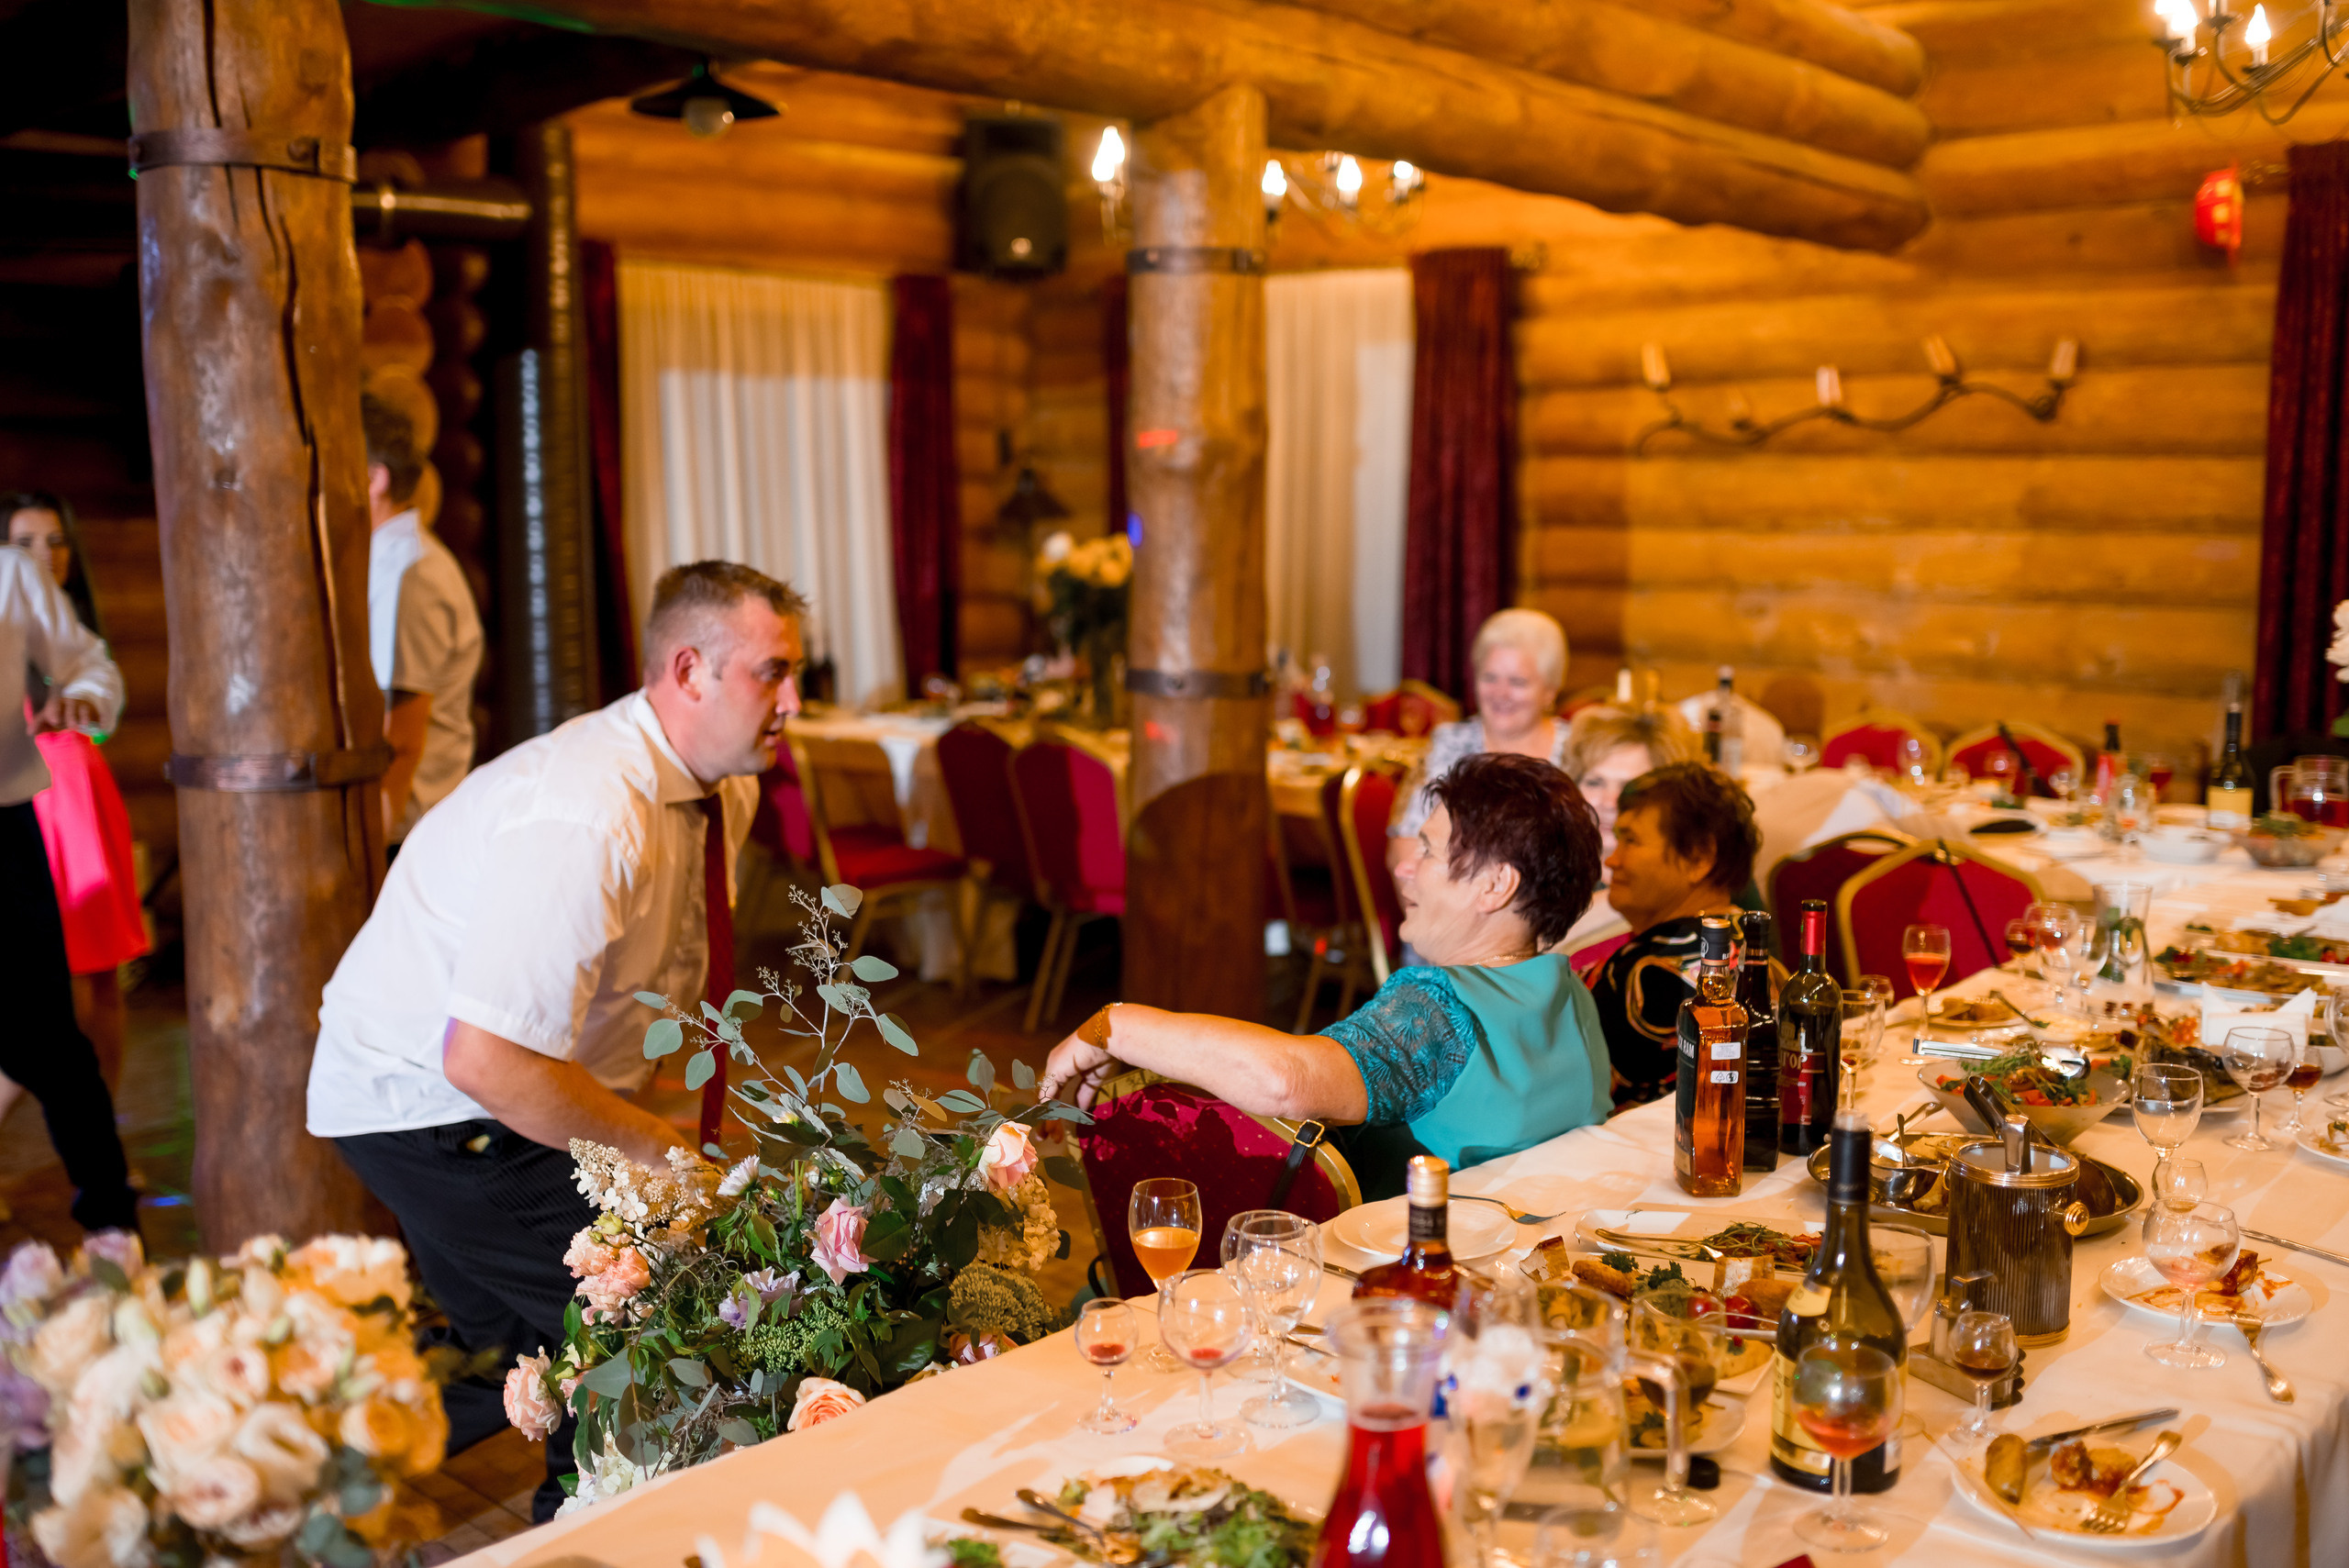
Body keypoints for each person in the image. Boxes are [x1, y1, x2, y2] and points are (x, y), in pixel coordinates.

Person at [306, 561, 803, 1520]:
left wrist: (656, 1124)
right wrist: (655, 1150)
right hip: (431, 1104)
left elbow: (649, 980)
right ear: (689, 668)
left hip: (494, 1087)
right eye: (773, 672)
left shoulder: (717, 786)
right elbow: (485, 1059)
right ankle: (564, 1528)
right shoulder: (590, 810)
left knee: (506, 1349)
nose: (794, 700)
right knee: (643, 1325)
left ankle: (301, 1490)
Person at [1038, 752, 1613, 1199]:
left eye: (1430, 852)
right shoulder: (1569, 993)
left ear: (1495, 886)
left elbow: (1288, 1082)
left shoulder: (1436, 1010)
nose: (1405, 868)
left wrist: (1117, 1024)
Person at [0, 532, 139, 1235]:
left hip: (2, 824)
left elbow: (86, 662)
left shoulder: (9, 574)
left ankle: (113, 1228)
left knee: (50, 1038)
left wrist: (82, 697)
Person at [6, 494, 151, 1095]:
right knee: (28, 992)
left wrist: (83, 706)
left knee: (101, 979)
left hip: (82, 803)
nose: (45, 554)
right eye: (25, 542)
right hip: (24, 808)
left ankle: (103, 1146)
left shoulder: (78, 632)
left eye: (56, 539)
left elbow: (98, 710)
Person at [1585, 762, 1761, 1106]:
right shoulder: (1745, 937)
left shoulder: (1650, 973)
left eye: (1631, 841)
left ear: (1699, 857)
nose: (1613, 861)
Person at [362, 392, 484, 851]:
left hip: (410, 836)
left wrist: (372, 846)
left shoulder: (410, 573)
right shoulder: (388, 564)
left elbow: (403, 738)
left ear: (375, 479)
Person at [1388, 607, 1571, 872]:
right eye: (1490, 678)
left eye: (1518, 682)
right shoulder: (1449, 744)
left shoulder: (1577, 748)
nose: (1501, 693)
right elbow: (1406, 845)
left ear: (1550, 691)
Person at [1553, 704, 1707, 955]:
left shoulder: (1701, 867)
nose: (1609, 801)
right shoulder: (1546, 866)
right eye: (1595, 782)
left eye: (1630, 787)